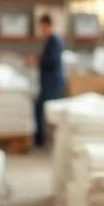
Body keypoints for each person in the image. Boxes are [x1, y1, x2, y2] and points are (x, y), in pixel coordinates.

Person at [31, 13, 66, 148]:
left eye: (42, 27)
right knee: (40, 108)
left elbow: (53, 60)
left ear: (47, 26)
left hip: (53, 83)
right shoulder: (49, 41)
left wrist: (37, 60)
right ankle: (41, 140)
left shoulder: (55, 41)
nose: (41, 30)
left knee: (50, 111)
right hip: (47, 82)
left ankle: (48, 141)